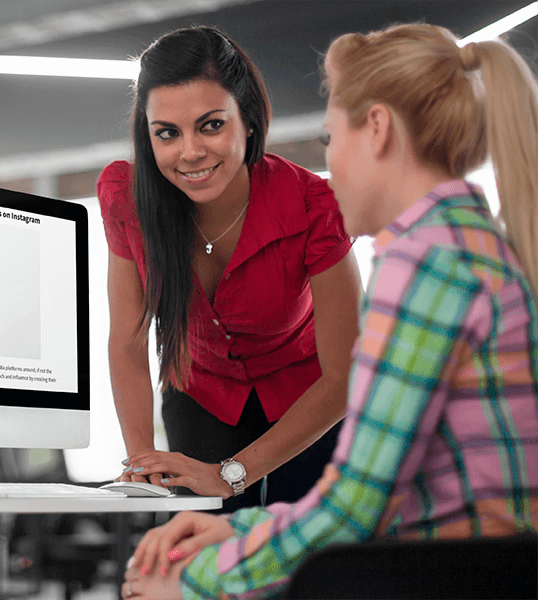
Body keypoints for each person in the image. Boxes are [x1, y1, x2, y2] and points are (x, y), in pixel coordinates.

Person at [118, 22, 538, 599]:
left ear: (377, 131)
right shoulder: (466, 247)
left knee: (154, 584)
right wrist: (237, 528)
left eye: (328, 139)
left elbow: (356, 510)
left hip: (457, 575)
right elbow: (383, 499)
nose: (330, 166)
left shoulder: (426, 265)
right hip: (464, 562)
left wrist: (192, 580)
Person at [97, 25, 362, 513]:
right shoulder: (127, 200)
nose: (190, 152)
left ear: (249, 120)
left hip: (311, 411)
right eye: (167, 133)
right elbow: (128, 342)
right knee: (201, 568)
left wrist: (231, 474)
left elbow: (345, 372)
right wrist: (141, 466)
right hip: (200, 399)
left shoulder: (314, 205)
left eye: (211, 125)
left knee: (307, 568)